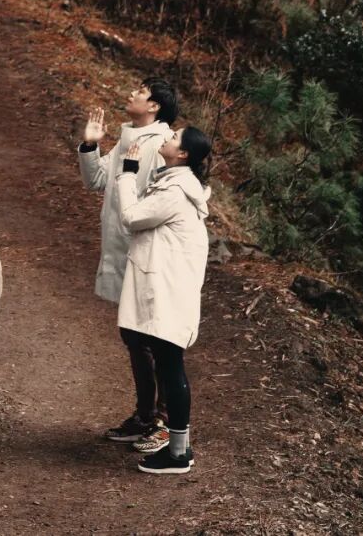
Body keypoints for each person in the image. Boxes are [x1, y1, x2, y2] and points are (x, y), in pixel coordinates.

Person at [78, 79, 178, 451]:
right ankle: (146, 416)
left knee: (150, 336)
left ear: (154, 106)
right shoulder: (129, 139)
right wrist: (91, 145)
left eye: (140, 91)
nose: (131, 93)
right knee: (135, 335)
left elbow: (152, 201)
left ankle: (161, 420)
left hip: (148, 253)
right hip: (123, 248)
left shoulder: (160, 144)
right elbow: (99, 181)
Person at [116, 125, 212, 475]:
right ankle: (178, 449)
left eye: (175, 139)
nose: (168, 139)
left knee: (171, 365)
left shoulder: (175, 191)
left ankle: (177, 455)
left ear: (183, 153)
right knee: (168, 363)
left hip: (169, 292)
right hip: (171, 289)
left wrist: (127, 174)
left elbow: (131, 218)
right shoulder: (177, 184)